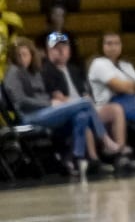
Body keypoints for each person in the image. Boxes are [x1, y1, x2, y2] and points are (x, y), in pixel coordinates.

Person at [3, 37, 120, 175]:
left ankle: (74, 158)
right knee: (85, 103)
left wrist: (54, 102)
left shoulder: (34, 71)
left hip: (46, 111)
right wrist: (50, 103)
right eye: (19, 55)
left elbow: (42, 94)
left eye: (25, 54)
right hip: (30, 116)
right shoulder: (13, 72)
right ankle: (104, 139)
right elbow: (21, 101)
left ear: (32, 54)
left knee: (81, 116)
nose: (22, 58)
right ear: (13, 56)